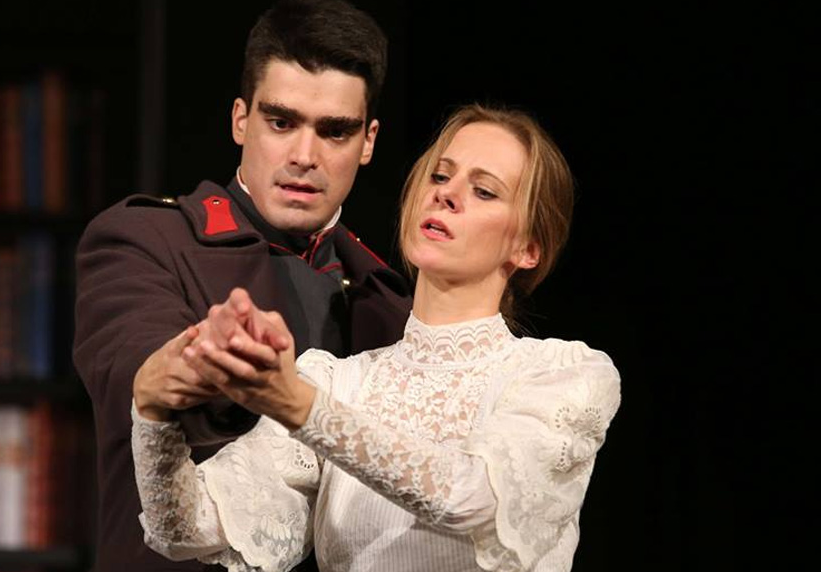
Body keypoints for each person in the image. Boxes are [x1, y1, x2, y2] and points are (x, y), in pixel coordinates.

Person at [130, 104, 622, 572]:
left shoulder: (563, 376)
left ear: (529, 248)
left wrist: (298, 407)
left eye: (484, 191)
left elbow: (473, 498)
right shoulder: (335, 382)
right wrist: (152, 412)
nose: (446, 195)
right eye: (440, 176)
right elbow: (184, 529)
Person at [72, 0, 412, 572]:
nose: (304, 155)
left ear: (368, 142)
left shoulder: (392, 301)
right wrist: (196, 366)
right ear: (240, 120)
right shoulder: (144, 240)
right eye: (281, 122)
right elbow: (135, 372)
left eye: (334, 131)